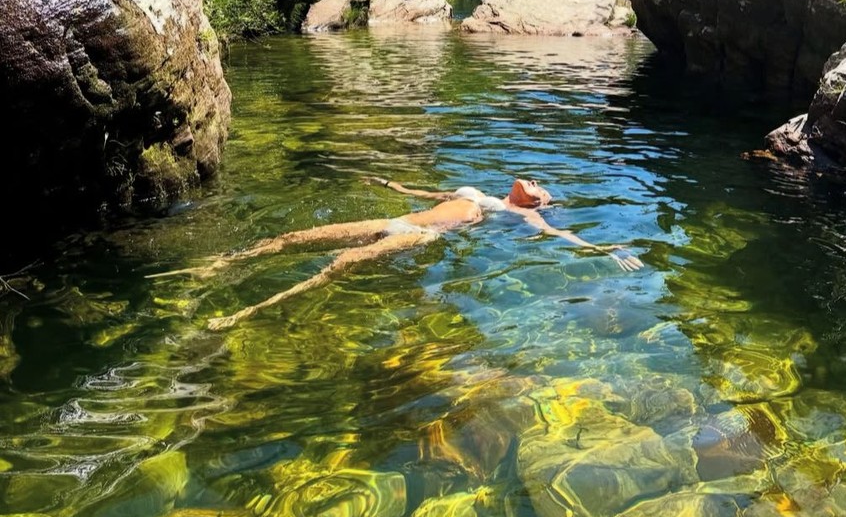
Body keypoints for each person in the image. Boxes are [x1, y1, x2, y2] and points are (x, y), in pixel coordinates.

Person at [152, 177, 643, 330]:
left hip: (421, 239)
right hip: (399, 222)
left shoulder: (521, 216)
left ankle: (244, 312)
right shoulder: (473, 189)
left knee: (336, 267)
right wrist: (389, 183)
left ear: (536, 201)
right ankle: (221, 264)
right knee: (298, 237)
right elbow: (426, 194)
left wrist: (606, 247)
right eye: (533, 180)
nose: (532, 182)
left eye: (538, 188)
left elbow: (563, 239)